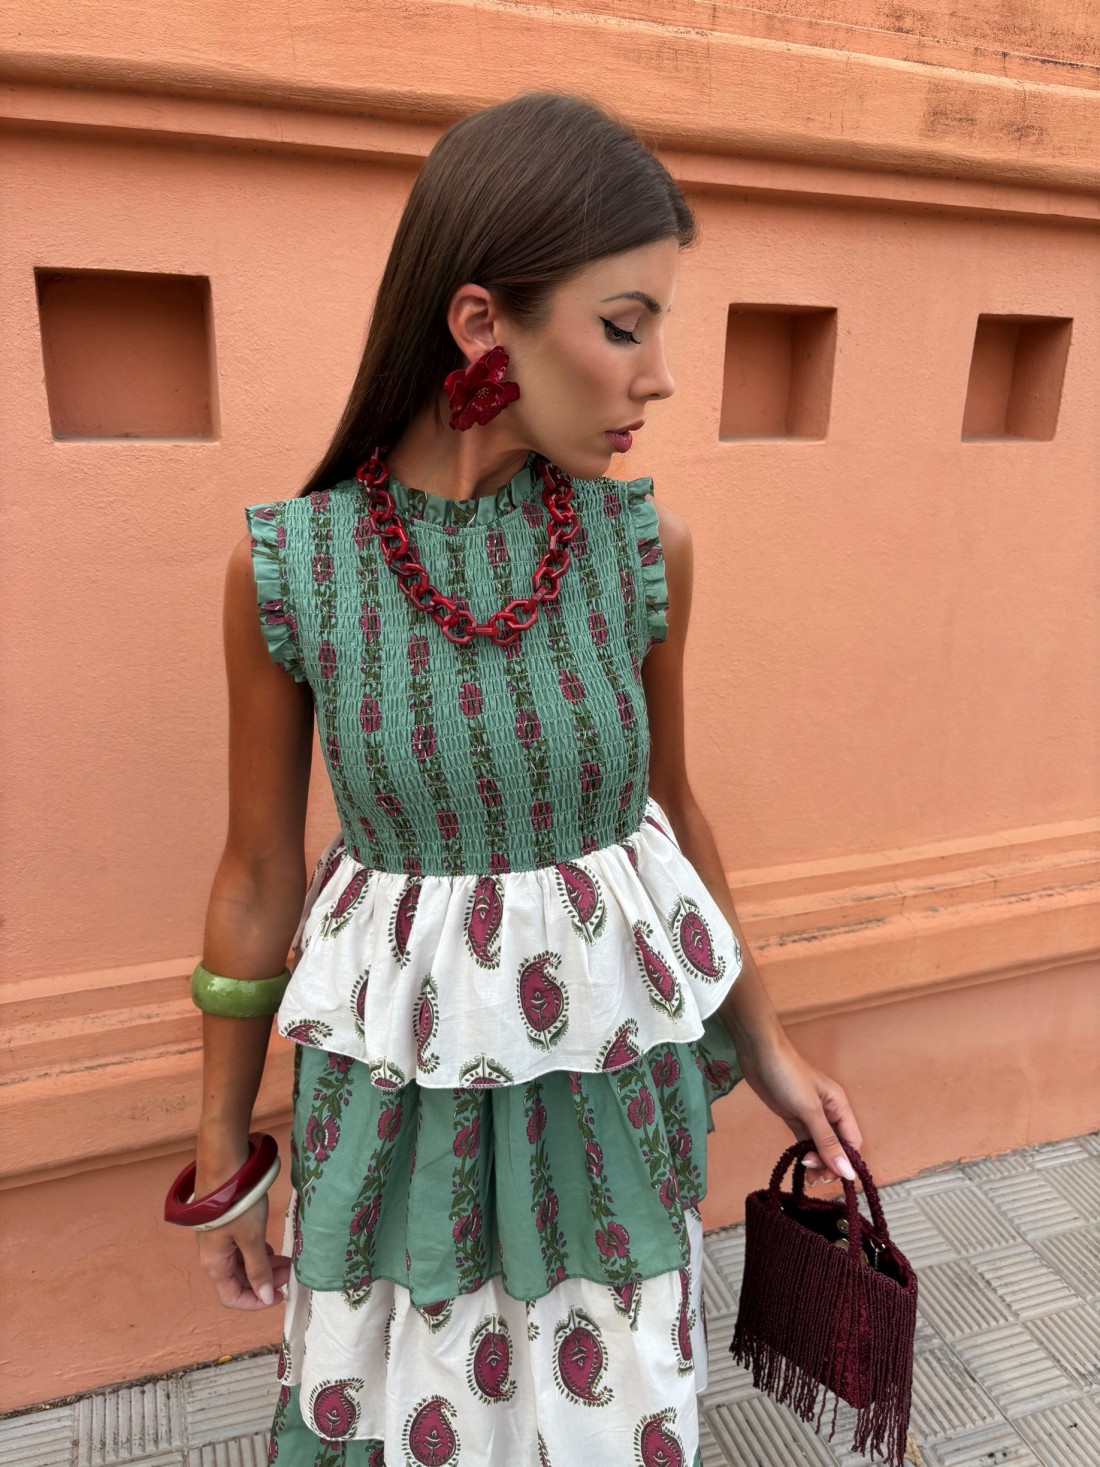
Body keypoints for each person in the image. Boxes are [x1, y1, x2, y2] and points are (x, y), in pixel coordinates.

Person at [171, 90, 863, 1467]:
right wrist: (220, 1154)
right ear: (484, 324)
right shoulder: (293, 570)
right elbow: (254, 874)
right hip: (394, 1123)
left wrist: (773, 1047)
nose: (660, 378)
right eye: (627, 325)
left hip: (608, 1101)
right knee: (409, 1406)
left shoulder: (643, 552)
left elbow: (671, 816)